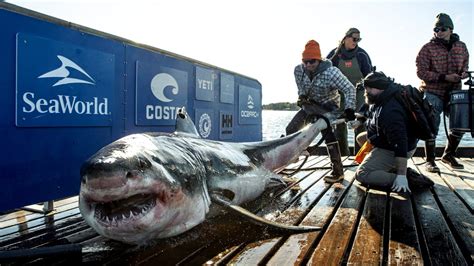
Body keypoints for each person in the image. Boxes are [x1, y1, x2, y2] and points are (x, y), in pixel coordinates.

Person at [286, 39, 356, 183]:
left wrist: (349, 109)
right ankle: (292, 156)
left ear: (319, 60)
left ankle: (337, 172)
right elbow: (301, 88)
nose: (308, 65)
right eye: (305, 61)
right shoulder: (298, 70)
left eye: (312, 61)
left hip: (328, 107)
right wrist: (301, 96)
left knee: (328, 135)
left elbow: (349, 89)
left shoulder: (331, 72)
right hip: (310, 105)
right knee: (291, 128)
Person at [416, 13, 470, 172]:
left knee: (461, 122)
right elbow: (421, 72)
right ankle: (430, 160)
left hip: (455, 92)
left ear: (451, 29)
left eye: (442, 29)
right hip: (433, 91)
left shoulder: (462, 46)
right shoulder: (427, 48)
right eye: (436, 29)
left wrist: (464, 73)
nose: (438, 32)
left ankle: (448, 155)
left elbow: (465, 66)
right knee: (432, 123)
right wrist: (444, 77)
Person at [355, 72, 418, 193]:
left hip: (397, 148)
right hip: (385, 139)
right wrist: (360, 120)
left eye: (369, 88)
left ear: (380, 88)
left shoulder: (390, 111)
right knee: (361, 138)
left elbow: (400, 143)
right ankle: (385, 167)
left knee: (362, 174)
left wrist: (401, 176)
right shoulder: (384, 96)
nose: (366, 91)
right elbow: (371, 111)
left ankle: (407, 178)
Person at [327, 28, 373, 156]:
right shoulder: (334, 55)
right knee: (339, 125)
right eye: (354, 39)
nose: (356, 41)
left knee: (359, 124)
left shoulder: (362, 55)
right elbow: (325, 74)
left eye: (359, 39)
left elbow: (369, 77)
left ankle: (360, 157)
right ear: (345, 38)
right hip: (340, 94)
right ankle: (343, 155)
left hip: (359, 93)